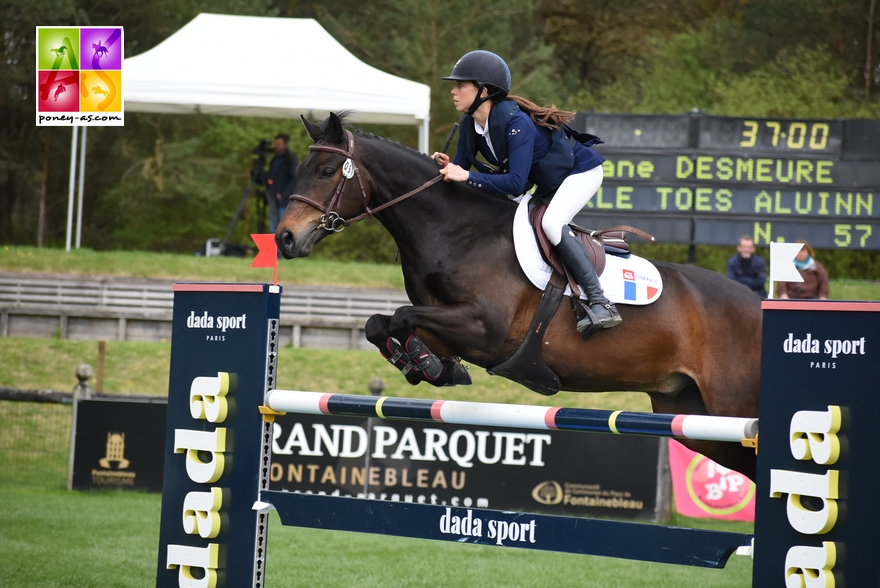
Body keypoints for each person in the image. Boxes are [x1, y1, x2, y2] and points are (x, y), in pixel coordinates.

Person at [431, 50, 620, 337]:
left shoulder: (515, 122)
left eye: (460, 85)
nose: (453, 91)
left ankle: (600, 301)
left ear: (483, 91)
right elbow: (462, 167)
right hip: (547, 184)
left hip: (580, 172)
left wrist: (466, 176)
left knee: (552, 223)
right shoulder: (472, 124)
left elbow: (516, 184)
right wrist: (449, 167)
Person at [266, 133, 298, 234]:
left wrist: (284, 194)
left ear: (285, 145)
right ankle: (274, 249)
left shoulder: (290, 159)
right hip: (273, 198)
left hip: (284, 200)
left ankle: (282, 249)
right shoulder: (275, 159)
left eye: (279, 144)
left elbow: (294, 178)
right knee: (273, 228)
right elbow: (270, 177)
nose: (276, 147)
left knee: (283, 227)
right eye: (276, 144)